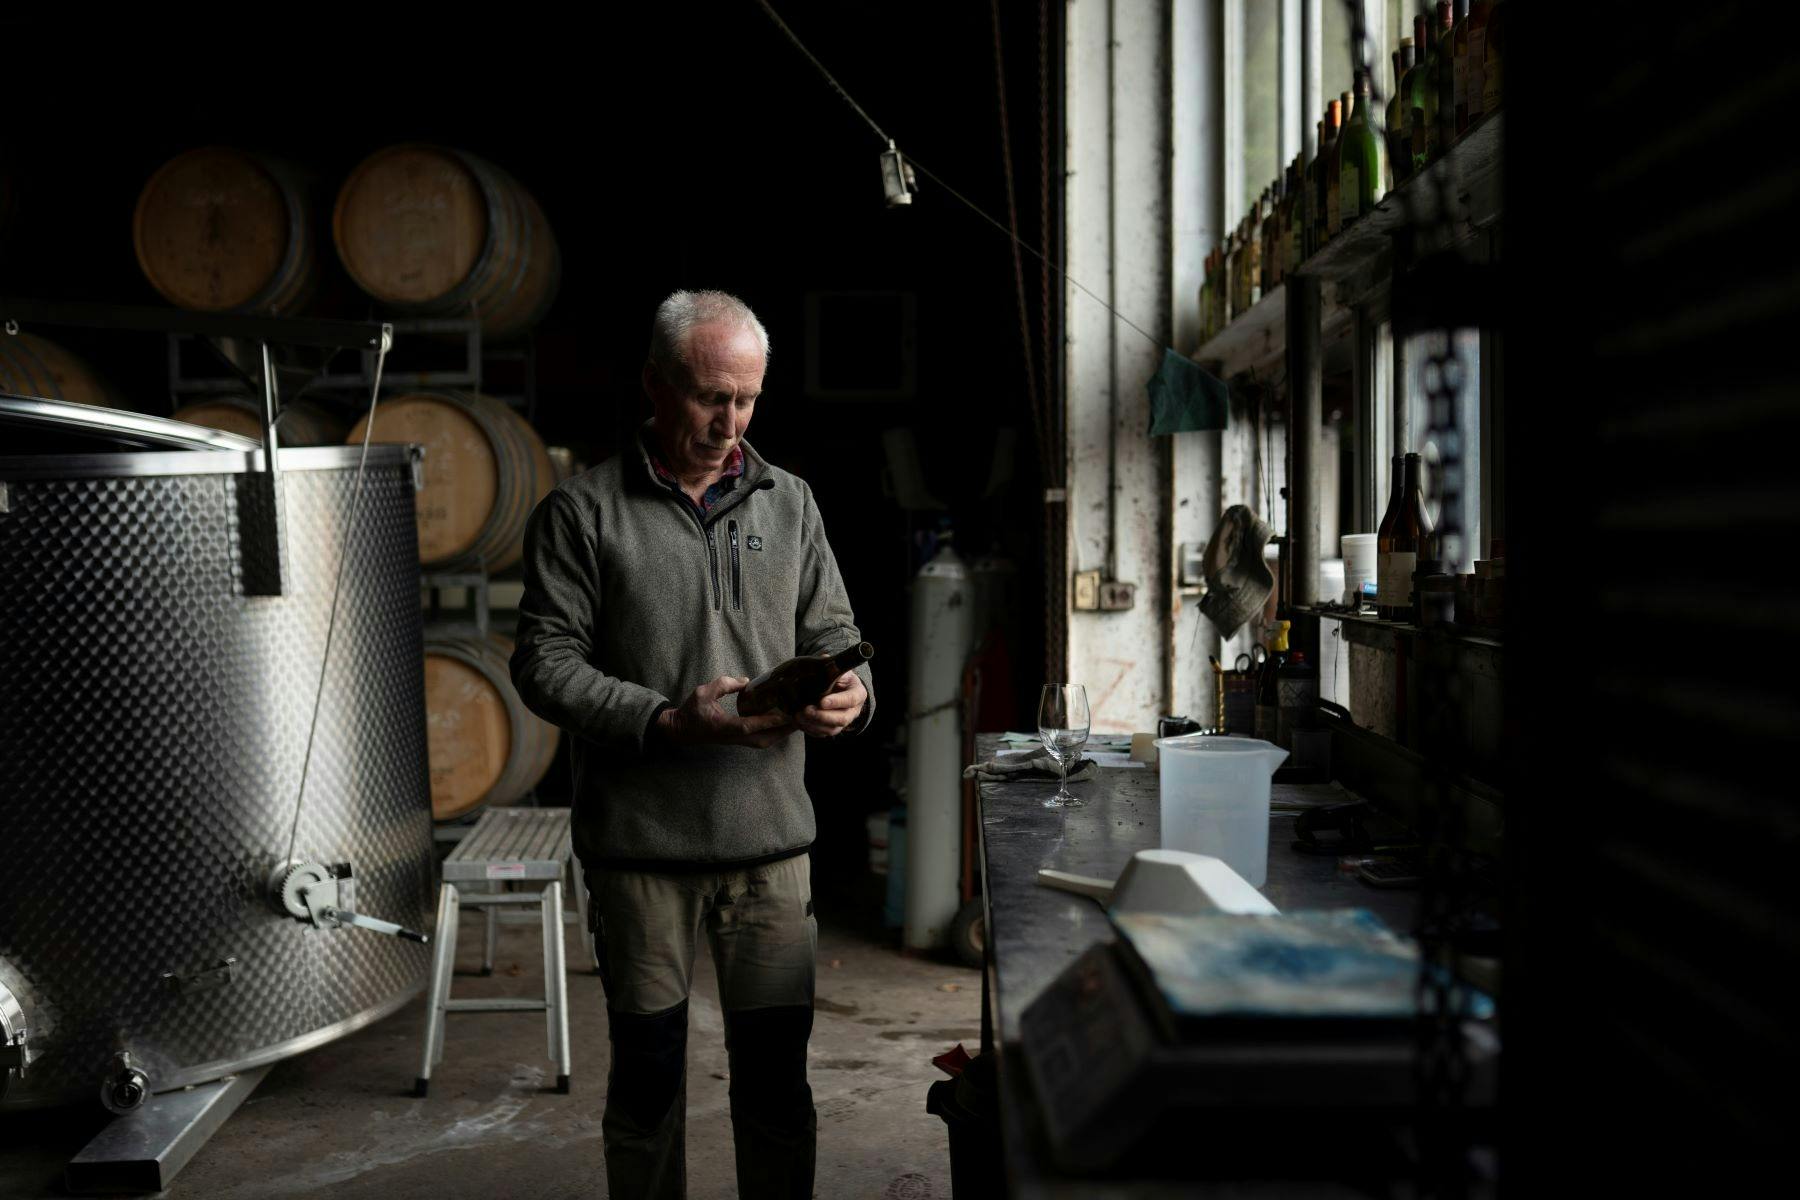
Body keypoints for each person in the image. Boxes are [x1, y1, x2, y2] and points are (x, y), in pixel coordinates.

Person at [511, 289, 873, 1200]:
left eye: (746, 399)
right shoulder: (583, 512)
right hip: (641, 853)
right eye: (711, 396)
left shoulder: (791, 504)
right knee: (645, 1087)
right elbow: (543, 665)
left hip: (770, 851)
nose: (730, 421)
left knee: (778, 1088)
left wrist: (851, 699)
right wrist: (669, 719)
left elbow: (835, 632)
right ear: (655, 385)